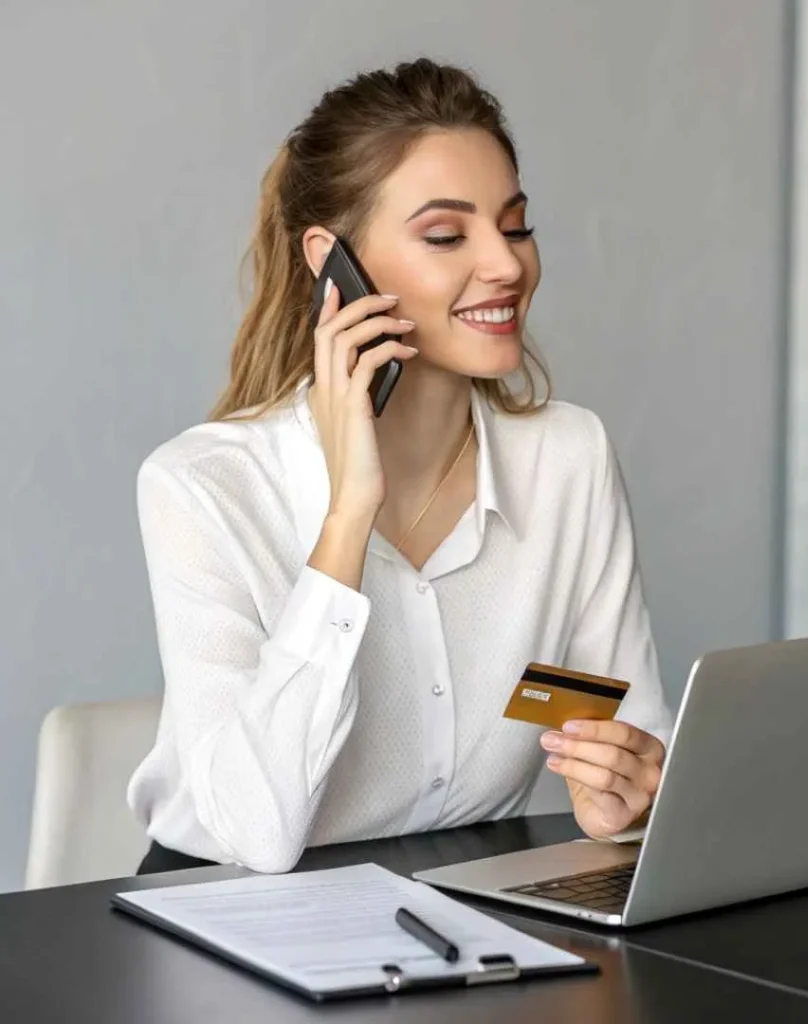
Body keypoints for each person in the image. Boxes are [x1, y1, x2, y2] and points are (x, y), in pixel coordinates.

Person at [129, 58, 672, 875]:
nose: (506, 265)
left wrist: (627, 790)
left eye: (515, 225)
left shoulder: (570, 458)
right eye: (448, 235)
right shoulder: (202, 488)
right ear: (332, 260)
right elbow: (258, 835)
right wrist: (350, 511)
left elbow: (630, 729)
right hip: (225, 913)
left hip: (460, 904)